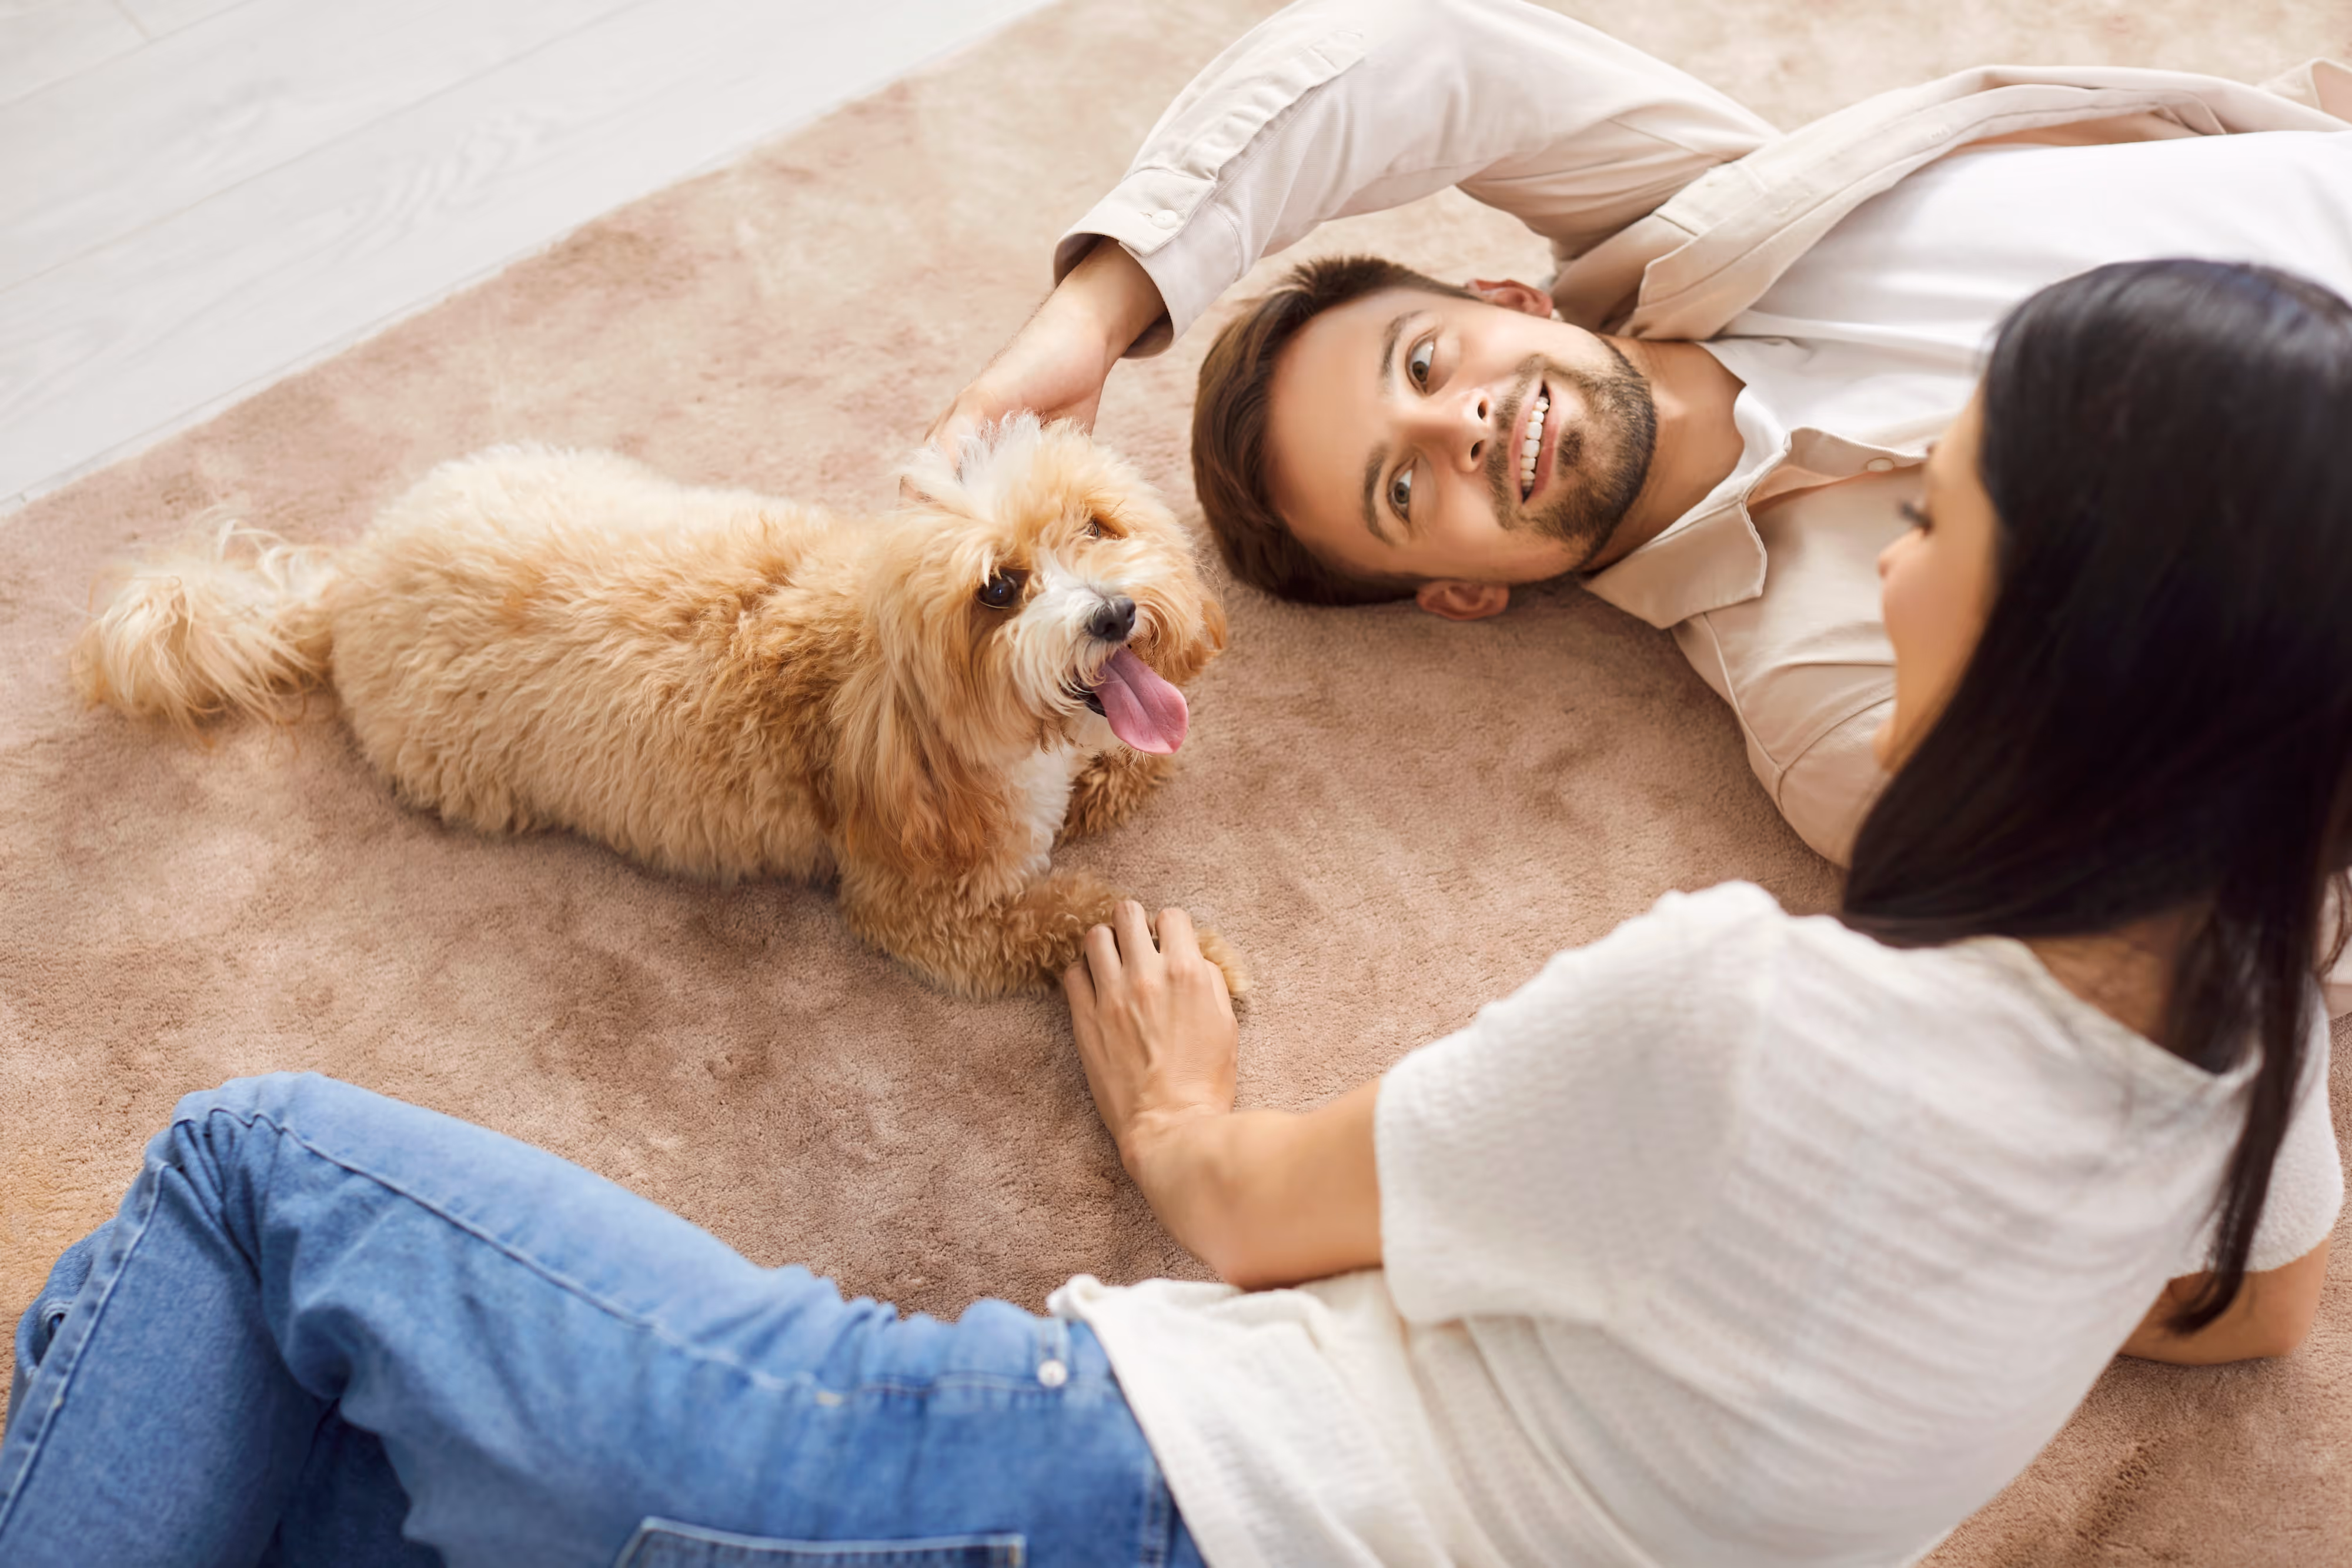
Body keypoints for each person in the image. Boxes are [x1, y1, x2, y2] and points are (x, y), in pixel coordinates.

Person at [4, 259, 2348, 1567]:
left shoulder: (1744, 1018)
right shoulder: (2258, 1061)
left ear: (2088, 647)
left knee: (247, 1175)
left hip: (1065, 1489)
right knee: (330, 1483)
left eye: (1931, 526)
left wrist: (1183, 1088)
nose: (1892, 568)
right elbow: (2232, 1329)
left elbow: (1239, 1216)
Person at [930, 0, 2352, 866]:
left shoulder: (1701, 200)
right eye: (1403, 489)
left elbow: (1411, 50)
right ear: (1465, 590)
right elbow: (2221, 895)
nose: (1460, 425)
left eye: (1424, 361)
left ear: (1502, 294)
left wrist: (1099, 308)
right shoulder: (1824, 692)